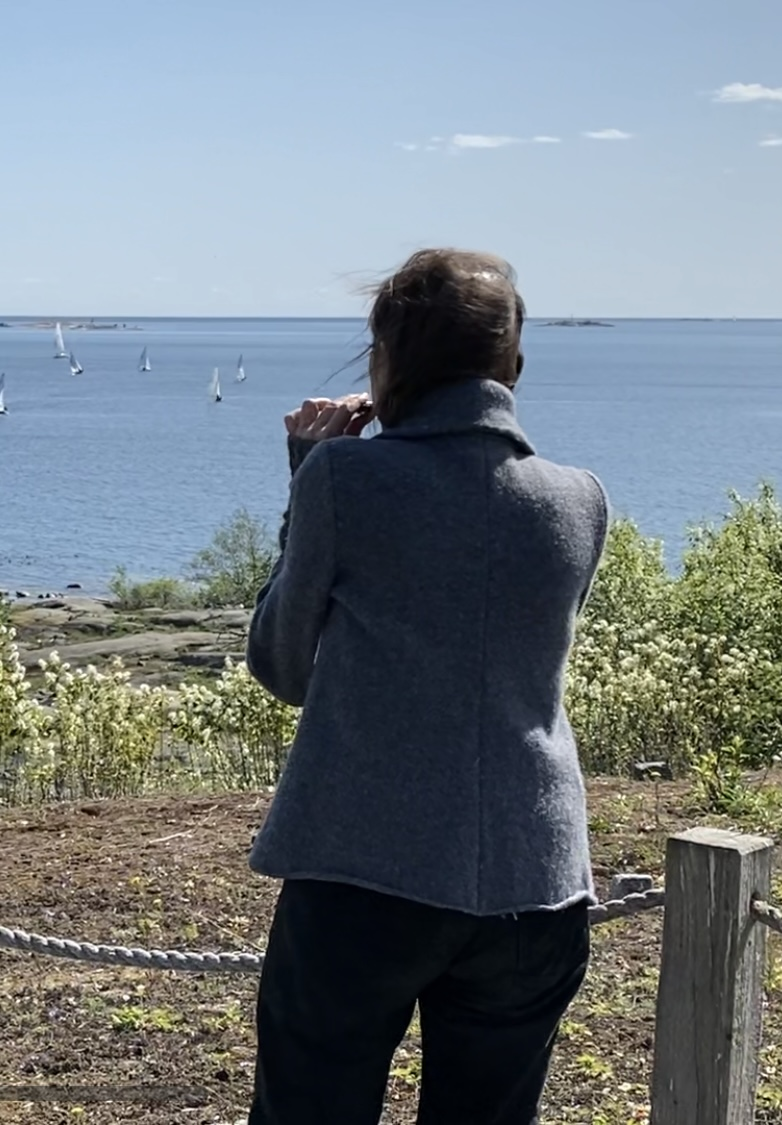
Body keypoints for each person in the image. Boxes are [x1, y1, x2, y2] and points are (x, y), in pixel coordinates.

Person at [242, 249, 609, 1125]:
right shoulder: (581, 500)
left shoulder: (342, 478)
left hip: (362, 871)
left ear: (387, 359)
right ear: (513, 365)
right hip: (536, 877)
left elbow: (282, 665)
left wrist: (306, 475)